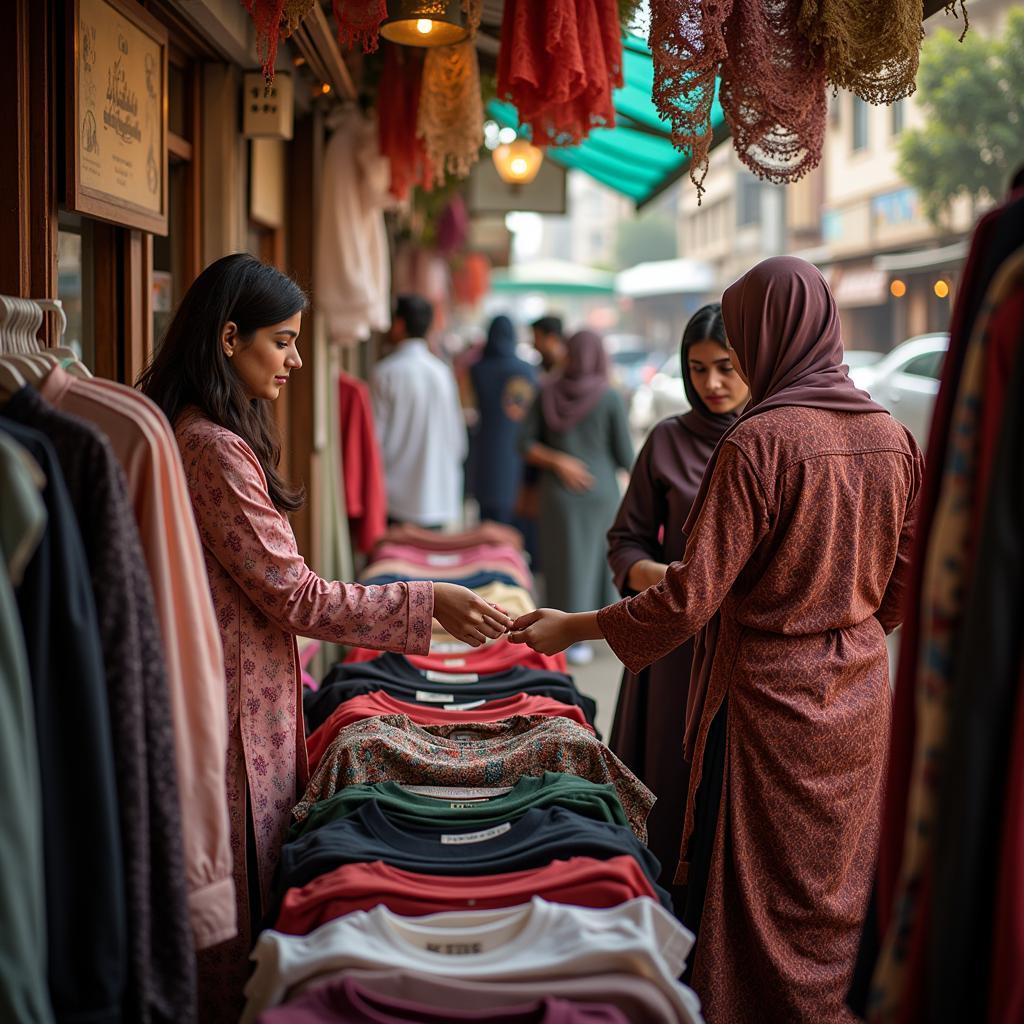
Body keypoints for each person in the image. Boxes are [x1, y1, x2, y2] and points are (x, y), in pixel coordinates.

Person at [509, 256, 923, 1023]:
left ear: (768, 336)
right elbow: (904, 584)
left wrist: (575, 625)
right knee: (835, 882)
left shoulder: (757, 442)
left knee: (756, 887)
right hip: (860, 691)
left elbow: (692, 598)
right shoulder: (893, 438)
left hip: (766, 697)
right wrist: (842, 631)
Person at [137, 255, 512, 1021]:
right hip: (234, 705)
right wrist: (427, 602)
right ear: (229, 337)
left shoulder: (211, 433)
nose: (297, 360)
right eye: (283, 342)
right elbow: (295, 594)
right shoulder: (209, 445)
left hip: (245, 691)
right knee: (233, 910)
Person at [606, 303, 749, 894]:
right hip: (671, 649)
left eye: (725, 367)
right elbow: (624, 542)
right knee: (666, 782)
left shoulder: (772, 440)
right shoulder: (667, 439)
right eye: (697, 369)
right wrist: (671, 581)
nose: (711, 384)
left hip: (744, 653)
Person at [519, 330, 634, 666]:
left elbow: (523, 444)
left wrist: (558, 460)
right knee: (597, 564)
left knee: (563, 563)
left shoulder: (547, 390)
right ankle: (589, 633)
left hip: (558, 495)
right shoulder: (609, 396)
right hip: (600, 495)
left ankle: (562, 634)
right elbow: (626, 455)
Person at [372, 294, 468, 529]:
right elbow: (458, 441)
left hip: (395, 499)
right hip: (438, 498)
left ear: (400, 324)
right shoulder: (442, 373)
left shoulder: (385, 373)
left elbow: (375, 441)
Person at [468, 315, 538, 525]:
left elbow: (468, 410)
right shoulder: (526, 370)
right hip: (517, 453)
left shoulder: (477, 369)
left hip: (485, 452)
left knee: (487, 523)